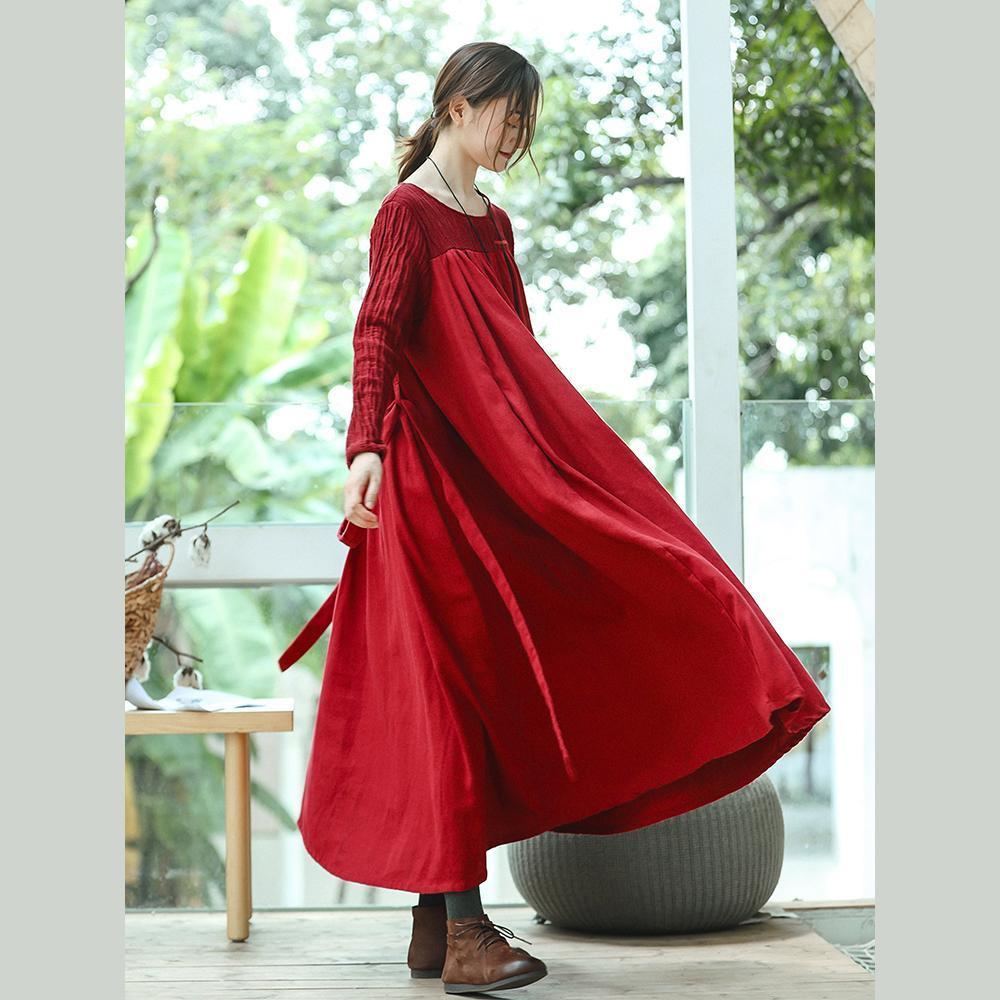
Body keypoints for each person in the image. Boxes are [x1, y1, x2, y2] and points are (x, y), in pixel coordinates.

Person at [279, 41, 831, 996]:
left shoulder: (493, 223)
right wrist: (364, 445)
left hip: (493, 482)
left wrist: (550, 476)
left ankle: (434, 926)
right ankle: (462, 931)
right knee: (448, 693)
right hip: (424, 487)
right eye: (507, 114)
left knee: (505, 668)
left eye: (525, 121)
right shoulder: (406, 212)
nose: (516, 135)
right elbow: (377, 330)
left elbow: (516, 359)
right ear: (457, 105)